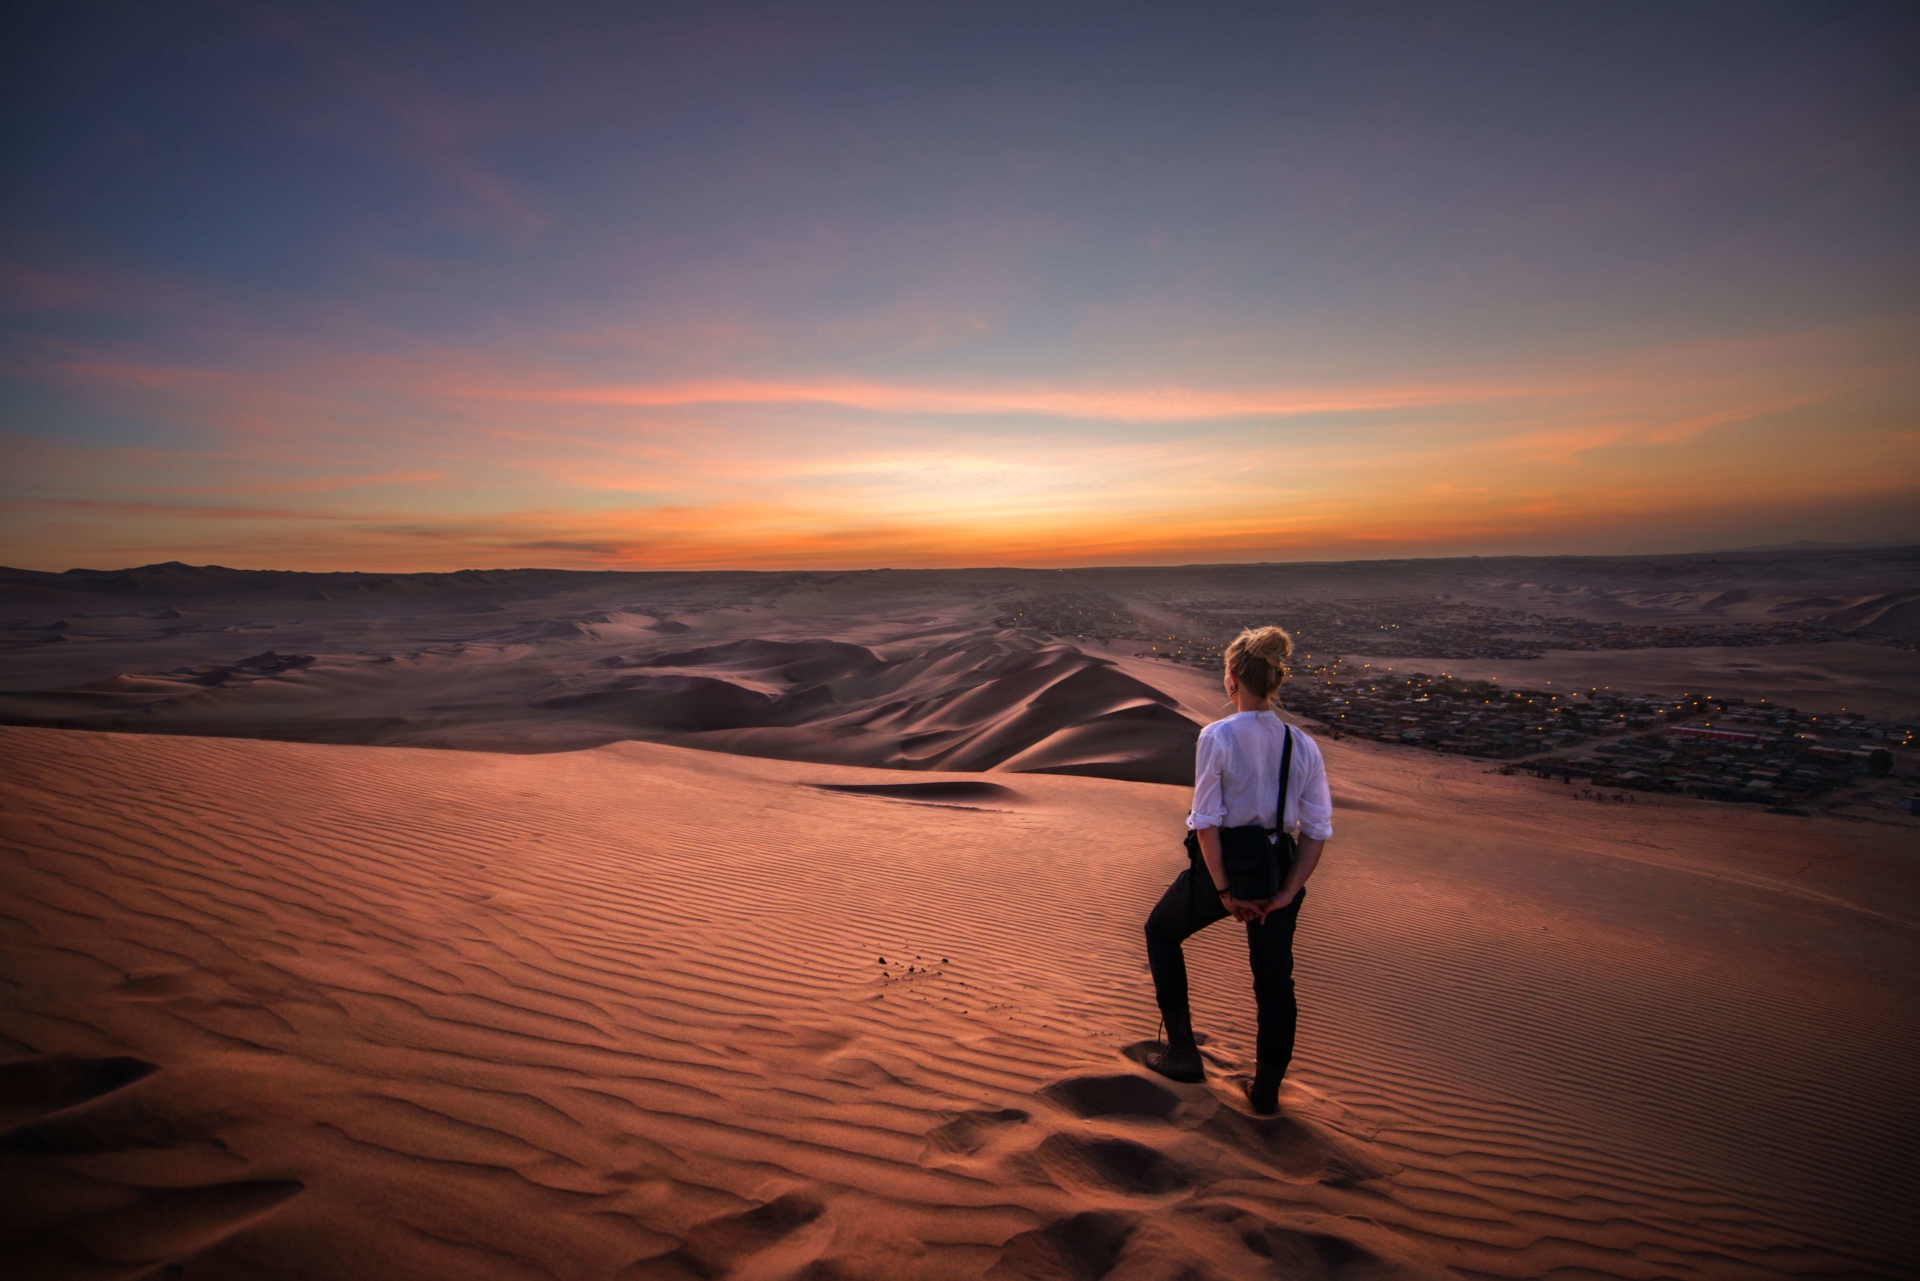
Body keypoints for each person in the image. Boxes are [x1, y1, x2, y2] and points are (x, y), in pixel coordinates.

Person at [1143, 625, 1333, 1115]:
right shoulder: (1303, 745)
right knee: (1274, 983)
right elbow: (1316, 830)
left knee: (1161, 933)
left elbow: (1206, 824)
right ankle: (1266, 1093)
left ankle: (1183, 1052)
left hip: (1225, 868)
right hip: (1277, 873)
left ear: (1232, 681)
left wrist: (1225, 893)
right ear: (1274, 681)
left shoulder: (1218, 736)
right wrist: (1288, 891)